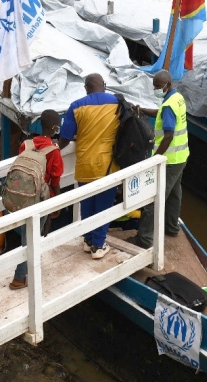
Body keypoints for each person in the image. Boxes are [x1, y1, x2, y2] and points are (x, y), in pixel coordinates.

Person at [58, 73, 120, 259]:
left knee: (87, 204)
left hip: (85, 163)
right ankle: (98, 246)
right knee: (103, 206)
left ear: (86, 88)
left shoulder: (76, 106)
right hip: (108, 165)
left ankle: (88, 240)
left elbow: (65, 139)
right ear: (105, 85)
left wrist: (49, 151)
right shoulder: (117, 103)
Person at [130, 70, 190, 248]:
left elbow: (168, 135)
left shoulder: (169, 105)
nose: (156, 89)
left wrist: (155, 158)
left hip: (169, 160)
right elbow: (162, 114)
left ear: (167, 85)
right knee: (174, 194)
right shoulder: (177, 98)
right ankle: (171, 228)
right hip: (181, 156)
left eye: (158, 86)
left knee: (155, 197)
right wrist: (142, 110)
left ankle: (144, 239)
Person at [9, 109, 64, 289]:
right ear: (55, 128)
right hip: (40, 200)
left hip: (24, 196)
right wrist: (58, 203)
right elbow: (55, 181)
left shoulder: (26, 144)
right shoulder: (54, 151)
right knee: (31, 239)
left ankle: (28, 269)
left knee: (28, 235)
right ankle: (18, 278)